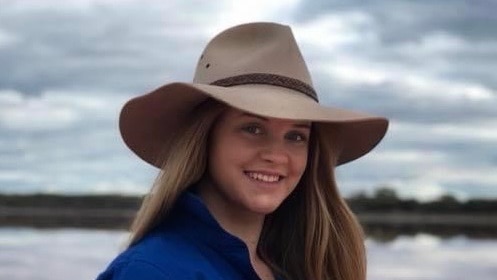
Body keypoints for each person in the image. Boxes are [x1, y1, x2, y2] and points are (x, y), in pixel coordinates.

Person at [96, 22, 388, 280]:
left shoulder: (298, 267)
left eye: (296, 136)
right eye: (253, 128)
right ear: (205, 139)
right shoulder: (152, 272)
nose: (276, 154)